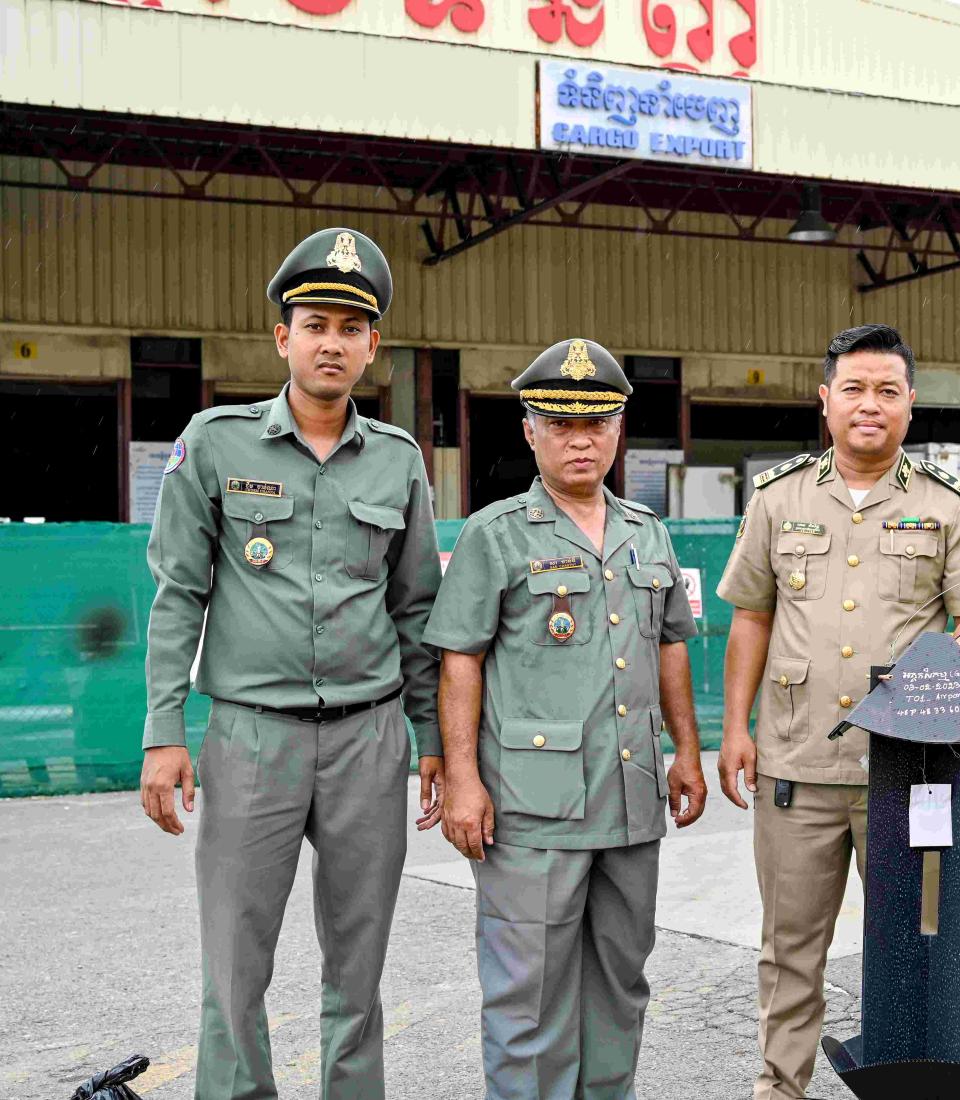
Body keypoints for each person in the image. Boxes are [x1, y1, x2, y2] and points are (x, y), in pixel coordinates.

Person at [138, 227, 444, 1100]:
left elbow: (416, 608)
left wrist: (428, 738)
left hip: (368, 741)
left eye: (351, 329)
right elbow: (177, 598)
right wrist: (166, 733)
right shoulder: (218, 444)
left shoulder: (397, 461)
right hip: (252, 738)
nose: (331, 343)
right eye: (315, 324)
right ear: (283, 337)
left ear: (372, 347)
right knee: (236, 966)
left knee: (359, 967)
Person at [715, 323, 960, 1100]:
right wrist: (733, 729)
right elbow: (751, 616)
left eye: (887, 390)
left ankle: (906, 1084)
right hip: (796, 764)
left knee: (912, 946)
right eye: (854, 388)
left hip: (908, 773)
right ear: (825, 400)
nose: (869, 404)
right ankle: (780, 1087)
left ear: (910, 403)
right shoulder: (779, 500)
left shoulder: (948, 507)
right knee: (790, 948)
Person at [424, 337, 708, 1100]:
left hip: (629, 804)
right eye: (560, 425)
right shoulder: (495, 533)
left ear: (618, 430)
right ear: (529, 432)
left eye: (597, 424)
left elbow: (671, 645)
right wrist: (462, 780)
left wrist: (687, 751)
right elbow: (460, 658)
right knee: (530, 998)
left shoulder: (646, 530)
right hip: (531, 808)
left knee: (620, 986)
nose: (580, 440)